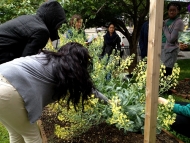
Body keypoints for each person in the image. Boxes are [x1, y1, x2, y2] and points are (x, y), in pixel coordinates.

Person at [0, 42, 108, 143]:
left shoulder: (47, 59)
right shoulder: (65, 70)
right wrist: (110, 103)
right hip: (7, 90)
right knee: (31, 136)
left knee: (16, 132)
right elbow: (89, 90)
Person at [0, 0, 66, 64]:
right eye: (59, 24)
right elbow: (26, 61)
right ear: (53, 21)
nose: (59, 27)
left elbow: (53, 32)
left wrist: (58, 50)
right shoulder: (41, 31)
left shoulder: (30, 19)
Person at [161, 2, 184, 76]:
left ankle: (167, 87)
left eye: (174, 10)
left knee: (167, 72)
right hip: (162, 48)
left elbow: (171, 39)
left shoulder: (179, 22)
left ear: (178, 11)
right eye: (170, 10)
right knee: (161, 71)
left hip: (170, 50)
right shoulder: (166, 21)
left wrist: (164, 27)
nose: (171, 12)